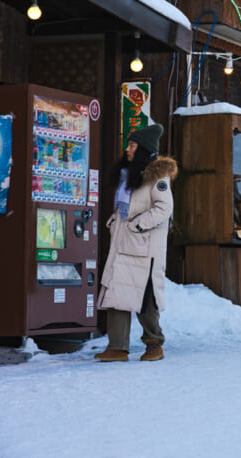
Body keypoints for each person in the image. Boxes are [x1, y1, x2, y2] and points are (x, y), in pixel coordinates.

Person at [95, 124, 176, 362]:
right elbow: (125, 209)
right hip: (123, 243)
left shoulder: (157, 176)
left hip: (143, 247)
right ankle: (117, 347)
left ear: (143, 149)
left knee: (145, 297)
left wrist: (137, 225)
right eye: (128, 145)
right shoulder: (128, 173)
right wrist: (115, 221)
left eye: (132, 146)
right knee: (116, 294)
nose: (127, 150)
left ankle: (154, 343)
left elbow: (164, 208)